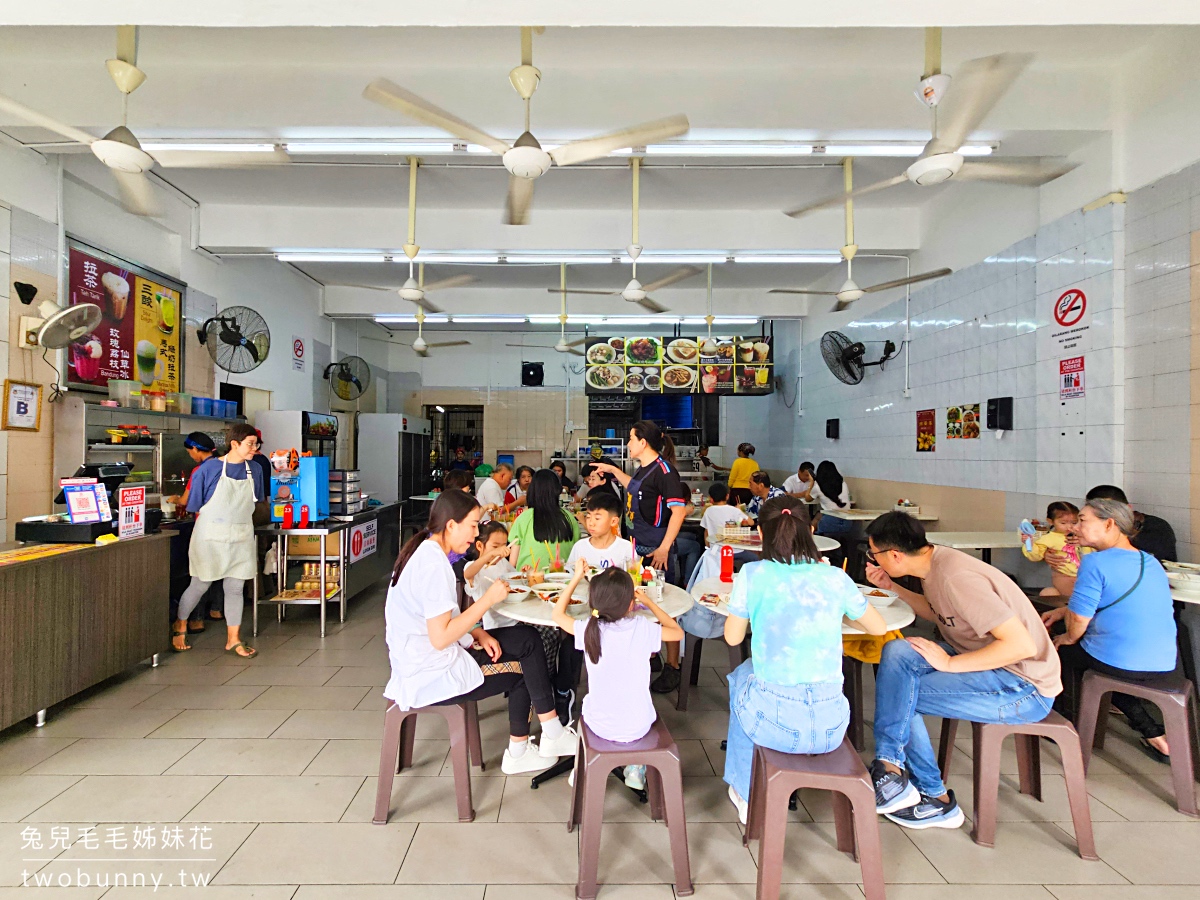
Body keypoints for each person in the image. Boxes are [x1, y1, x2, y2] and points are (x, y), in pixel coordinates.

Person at [864, 511, 1061, 830]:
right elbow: (942, 614)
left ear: (895, 555)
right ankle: (892, 770)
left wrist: (950, 663)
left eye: (875, 554)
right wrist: (892, 587)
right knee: (898, 651)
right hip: (988, 663)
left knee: (902, 694)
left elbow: (1021, 645)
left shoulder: (957, 577)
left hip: (1023, 686)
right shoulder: (935, 564)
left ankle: (935, 799)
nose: (874, 560)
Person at [384, 490, 578, 774]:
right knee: (527, 668)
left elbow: (440, 618)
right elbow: (440, 637)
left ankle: (550, 733)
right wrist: (488, 601)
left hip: (429, 655)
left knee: (528, 640)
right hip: (432, 670)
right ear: (451, 525)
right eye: (473, 525)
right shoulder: (432, 563)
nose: (476, 533)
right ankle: (521, 750)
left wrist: (476, 631)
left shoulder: (426, 550)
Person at [722, 497, 887, 823]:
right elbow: (878, 627)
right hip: (833, 726)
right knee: (749, 674)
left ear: (759, 532)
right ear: (811, 530)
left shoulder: (752, 574)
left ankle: (744, 790)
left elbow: (732, 637)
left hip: (773, 724)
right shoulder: (834, 578)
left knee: (741, 676)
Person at [1042, 498, 1179, 762]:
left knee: (1054, 649)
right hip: (1163, 662)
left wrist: (1064, 637)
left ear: (1109, 524)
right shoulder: (1147, 560)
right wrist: (1065, 611)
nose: (1075, 528)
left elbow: (1077, 627)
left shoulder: (1096, 563)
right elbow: (1115, 604)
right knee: (1104, 661)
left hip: (1121, 662)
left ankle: (1059, 724)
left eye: (1082, 520)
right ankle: (1154, 734)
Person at [553, 562, 683, 792]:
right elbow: (677, 632)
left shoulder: (588, 629)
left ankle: (583, 761)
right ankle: (635, 765)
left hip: (600, 725)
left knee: (589, 702)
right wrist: (650, 602)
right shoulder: (641, 627)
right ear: (631, 604)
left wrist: (576, 578)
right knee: (635, 710)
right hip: (639, 725)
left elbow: (557, 614)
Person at [592, 422, 689, 693]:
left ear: (643, 442)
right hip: (640, 552)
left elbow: (678, 512)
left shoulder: (666, 472)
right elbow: (634, 487)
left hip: (658, 553)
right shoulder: (645, 469)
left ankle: (673, 666)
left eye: (632, 439)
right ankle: (654, 657)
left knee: (665, 607)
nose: (629, 445)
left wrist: (664, 548)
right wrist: (612, 471)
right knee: (645, 604)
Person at [170, 423, 265, 658]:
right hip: (210, 537)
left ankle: (233, 639)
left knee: (235, 588)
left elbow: (257, 502)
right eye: (251, 444)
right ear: (235, 444)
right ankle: (180, 623)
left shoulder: (255, 470)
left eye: (256, 443)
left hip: (241, 537)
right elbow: (194, 505)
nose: (255, 448)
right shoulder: (209, 468)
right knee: (200, 585)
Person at [165, 432, 220, 632]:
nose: (191, 455)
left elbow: (188, 502)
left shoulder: (200, 470)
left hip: (204, 528)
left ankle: (192, 620)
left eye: (190, 452)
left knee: (199, 575)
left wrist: (174, 500)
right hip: (225, 529)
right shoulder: (225, 466)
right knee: (220, 574)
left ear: (196, 449)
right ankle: (216, 610)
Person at [508, 468, 581, 571]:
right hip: (563, 580)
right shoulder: (569, 518)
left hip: (529, 581)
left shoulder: (523, 518)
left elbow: (513, 563)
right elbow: (575, 552)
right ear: (558, 491)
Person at [1083, 485, 1177, 562]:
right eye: (1097, 514)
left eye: (1110, 511)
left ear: (1128, 508)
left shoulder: (1155, 528)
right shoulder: (1085, 529)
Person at [1022, 501, 1092, 600]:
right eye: (1063, 523)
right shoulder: (1049, 538)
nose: (1070, 526)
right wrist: (1029, 543)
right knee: (1072, 597)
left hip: (1086, 575)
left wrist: (1083, 541)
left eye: (1074, 522)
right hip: (1064, 576)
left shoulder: (1083, 535)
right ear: (1051, 521)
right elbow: (1035, 555)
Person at [566, 490, 635, 572]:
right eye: (588, 517)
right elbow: (569, 575)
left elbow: (635, 578)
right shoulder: (580, 547)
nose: (591, 523)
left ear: (613, 521)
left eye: (597, 518)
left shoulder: (626, 548)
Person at [811, 460, 853, 537]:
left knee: (817, 517)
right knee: (820, 514)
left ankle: (809, 539)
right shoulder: (843, 484)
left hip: (828, 523)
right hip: (847, 523)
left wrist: (811, 483)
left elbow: (808, 498)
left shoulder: (817, 487)